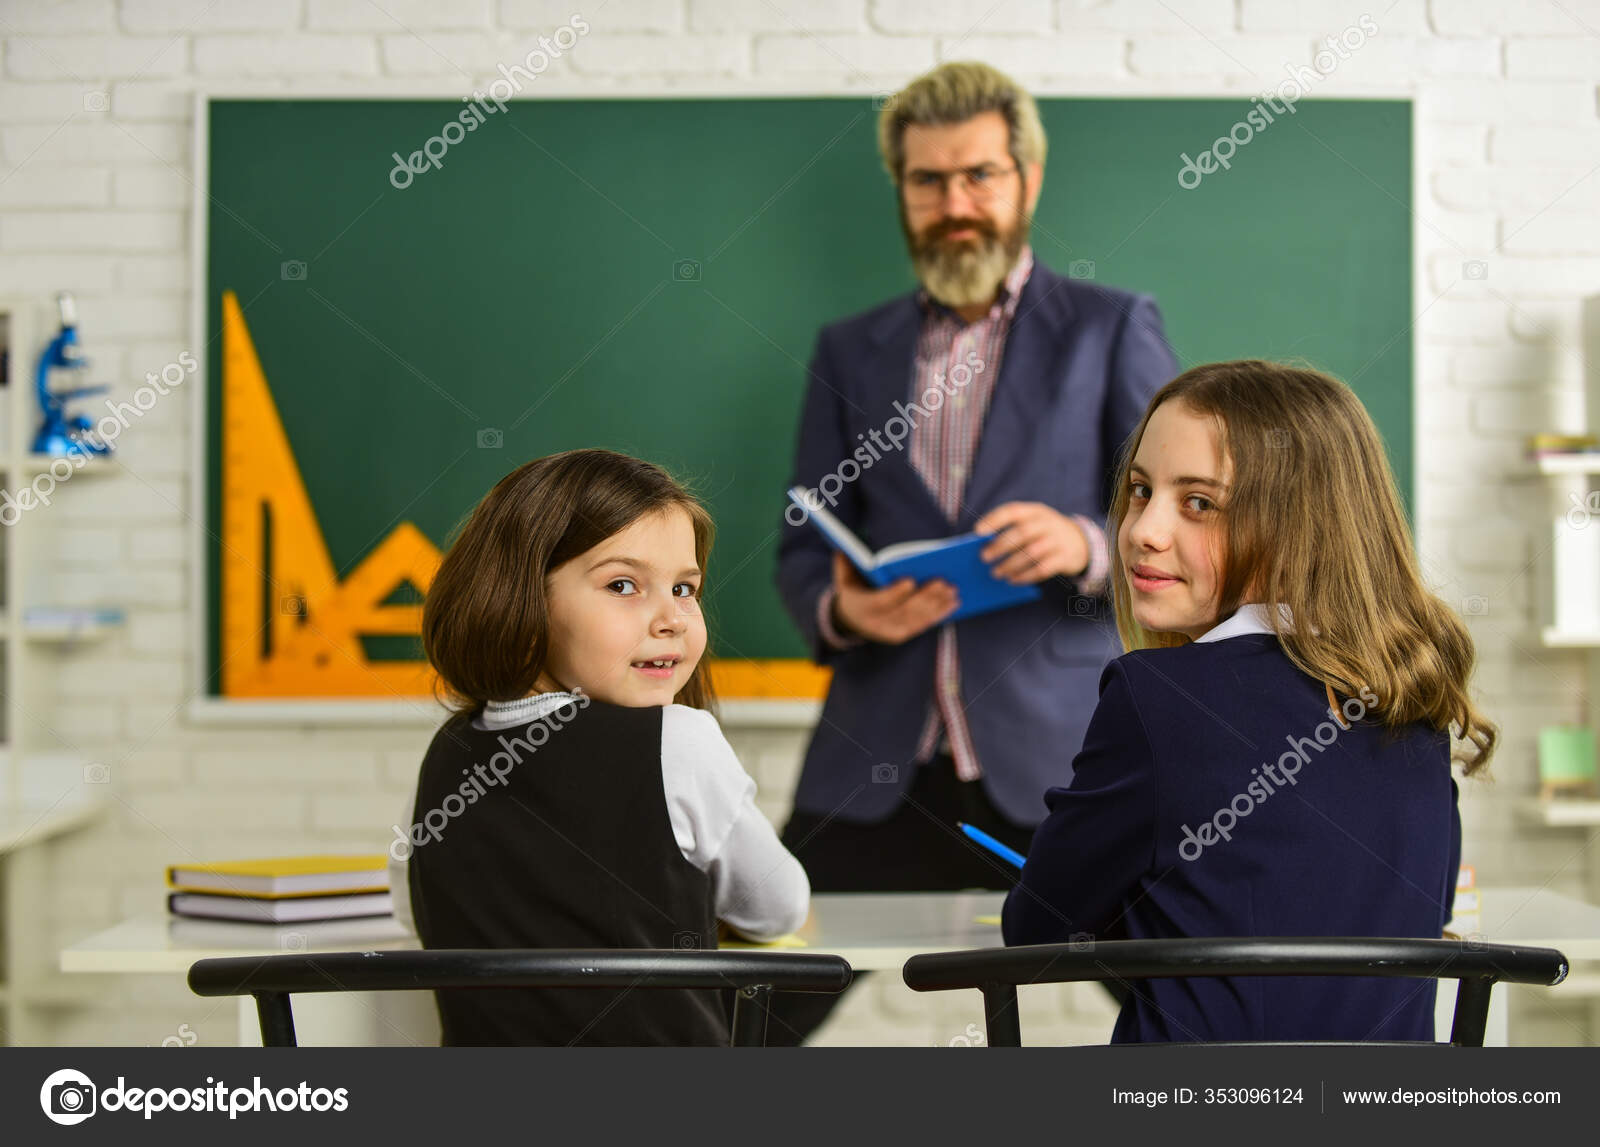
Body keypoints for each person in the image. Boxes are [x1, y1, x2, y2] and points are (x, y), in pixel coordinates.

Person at [771, 61, 1177, 1042]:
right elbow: (796, 549)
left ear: (1026, 180)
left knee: (1188, 1005)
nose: (956, 204)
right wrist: (844, 607)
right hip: (876, 769)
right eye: (928, 181)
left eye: (980, 176)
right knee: (744, 1014)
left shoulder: (1110, 327)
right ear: (902, 190)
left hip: (1066, 767)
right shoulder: (846, 347)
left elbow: (1188, 525)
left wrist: (1082, 540)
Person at [1004, 360, 1490, 1043]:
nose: (1143, 529)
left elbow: (1034, 929)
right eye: (1140, 491)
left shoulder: (1155, 697)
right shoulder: (1410, 695)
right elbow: (1421, 912)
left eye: (1198, 502)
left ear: (1301, 526)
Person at [390, 448, 809, 1046]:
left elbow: (412, 914)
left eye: (685, 588)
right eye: (623, 584)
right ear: (522, 598)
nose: (672, 619)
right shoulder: (678, 740)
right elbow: (779, 910)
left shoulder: (446, 753)